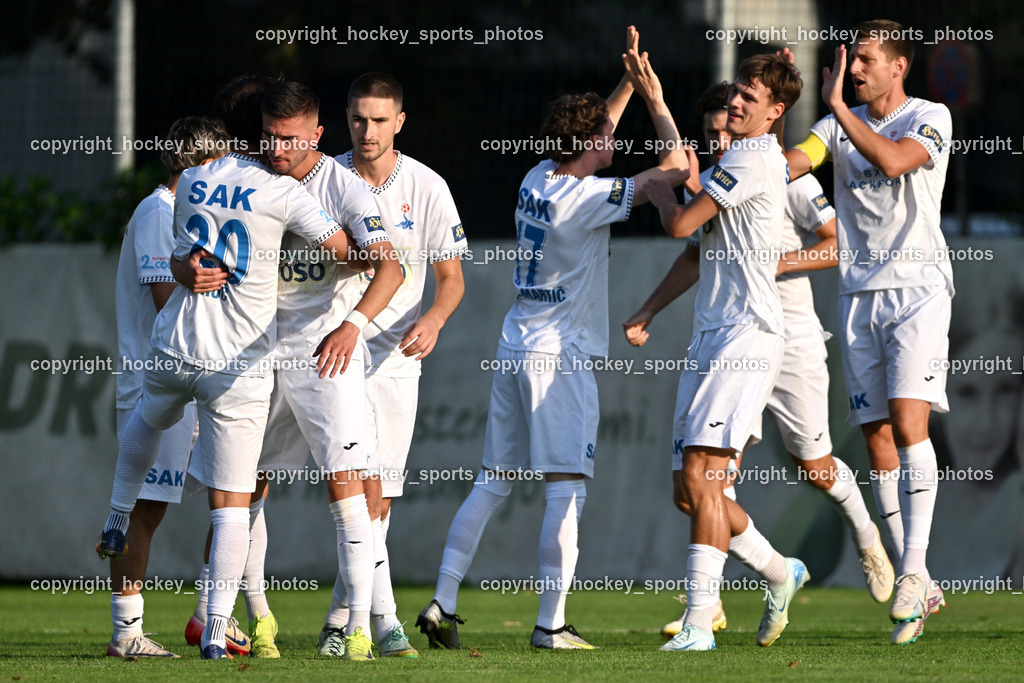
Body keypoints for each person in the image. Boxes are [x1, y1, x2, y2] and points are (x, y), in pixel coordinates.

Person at [416, 26, 695, 650]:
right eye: (604, 135)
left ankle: (442, 601)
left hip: (516, 344)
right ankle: (551, 624)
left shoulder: (539, 176)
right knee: (566, 488)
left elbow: (596, 136)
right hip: (559, 358)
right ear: (592, 143)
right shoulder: (590, 198)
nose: (610, 141)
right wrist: (653, 97)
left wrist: (624, 78)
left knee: (492, 479)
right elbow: (676, 169)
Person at [96, 73, 359, 661]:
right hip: (225, 362)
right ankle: (170, 628)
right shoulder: (179, 204)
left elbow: (183, 267)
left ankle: (194, 613)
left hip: (175, 360)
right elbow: (343, 250)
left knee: (177, 493)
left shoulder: (192, 188)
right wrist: (370, 253)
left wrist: (186, 268)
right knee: (222, 501)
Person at [623, 81, 892, 642]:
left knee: (809, 466)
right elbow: (694, 248)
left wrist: (772, 262)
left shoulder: (780, 175)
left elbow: (837, 244)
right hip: (726, 337)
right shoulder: (723, 175)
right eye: (712, 133)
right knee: (696, 485)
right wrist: (647, 309)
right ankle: (764, 578)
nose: (720, 139)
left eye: (728, 127)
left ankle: (865, 536)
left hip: (784, 337)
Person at [782, 19, 951, 645]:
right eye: (852, 60)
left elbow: (894, 158)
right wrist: (770, 123)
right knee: (877, 436)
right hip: (858, 297)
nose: (855, 69)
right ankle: (922, 580)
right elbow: (793, 165)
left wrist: (835, 113)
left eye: (868, 60)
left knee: (910, 424)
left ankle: (909, 572)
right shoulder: (834, 125)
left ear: (898, 65)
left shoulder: (927, 116)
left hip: (917, 291)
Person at [637, 52, 804, 652]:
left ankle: (698, 622)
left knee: (706, 478)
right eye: (736, 93)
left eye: (749, 99)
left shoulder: (756, 159)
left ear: (774, 114)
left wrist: (658, 194)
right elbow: (691, 183)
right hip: (713, 334)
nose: (735, 104)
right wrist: (655, 102)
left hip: (747, 334)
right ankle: (782, 573)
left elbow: (682, 224)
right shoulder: (736, 156)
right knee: (690, 490)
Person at [314, 71, 470, 656]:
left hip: (397, 356)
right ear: (345, 118)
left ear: (400, 121)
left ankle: (343, 617)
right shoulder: (323, 178)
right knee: (356, 489)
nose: (367, 130)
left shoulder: (427, 186)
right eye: (358, 118)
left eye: (380, 119)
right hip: (335, 351)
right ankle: (382, 624)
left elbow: (452, 279)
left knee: (378, 499)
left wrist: (432, 319)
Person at [105, 116, 230, 659]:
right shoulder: (160, 212)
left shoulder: (179, 213)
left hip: (182, 375)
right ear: (200, 163)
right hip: (158, 379)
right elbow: (166, 302)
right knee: (145, 509)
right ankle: (126, 632)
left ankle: (210, 617)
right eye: (220, 159)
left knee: (237, 490)